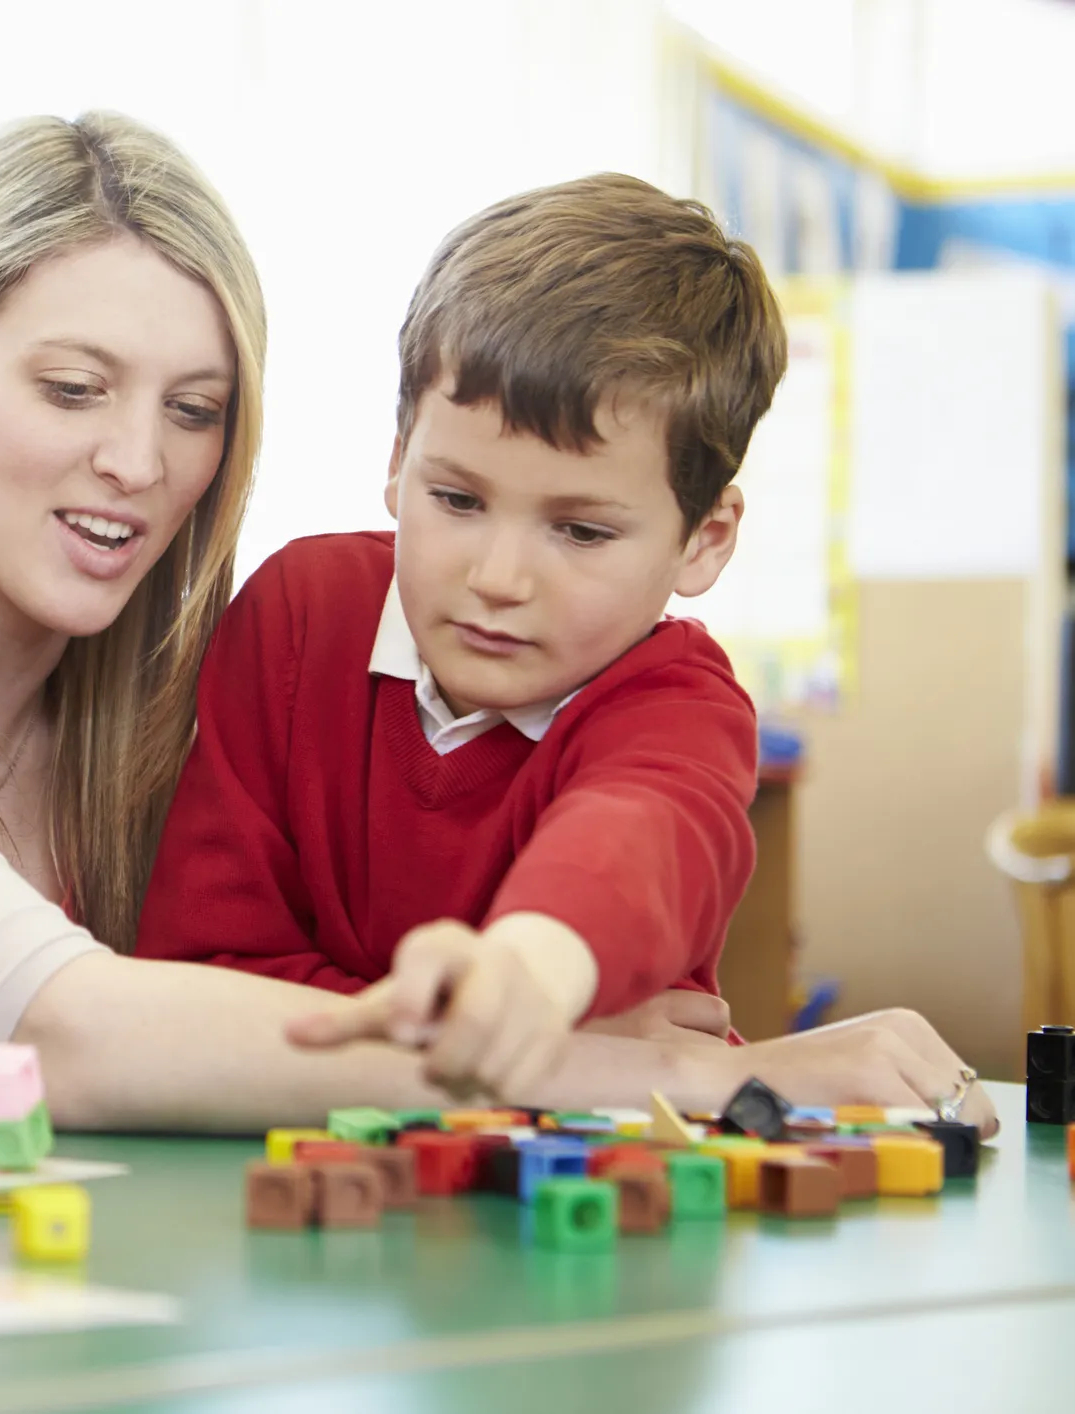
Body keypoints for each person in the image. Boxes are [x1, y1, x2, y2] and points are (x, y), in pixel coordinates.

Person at [0, 116, 989, 1132]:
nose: (139, 462)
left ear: (703, 540)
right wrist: (628, 1063)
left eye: (195, 409)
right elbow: (90, 1029)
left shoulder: (139, 689)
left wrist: (541, 988)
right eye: (74, 387)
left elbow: (640, 834)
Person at [136, 173, 992, 1123]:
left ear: (703, 540)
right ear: (394, 460)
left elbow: (633, 844)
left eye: (580, 532)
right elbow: (197, 971)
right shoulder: (300, 614)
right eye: (456, 500)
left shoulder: (678, 702)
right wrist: (558, 1050)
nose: (499, 577)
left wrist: (524, 978)